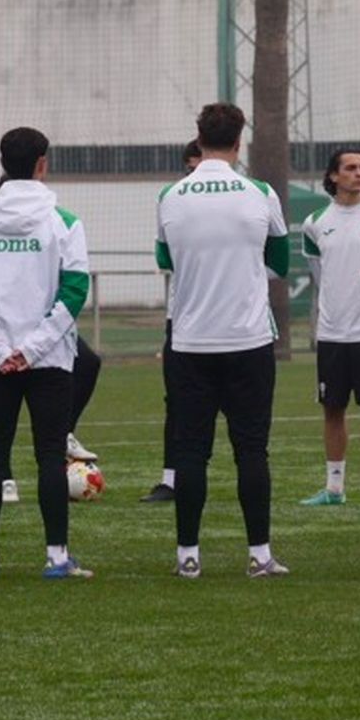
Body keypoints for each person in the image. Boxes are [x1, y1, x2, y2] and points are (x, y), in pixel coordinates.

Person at [155, 103, 289, 578]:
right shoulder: (260, 193)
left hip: (190, 342)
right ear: (239, 141)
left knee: (191, 452)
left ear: (199, 137)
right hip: (248, 339)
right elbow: (280, 260)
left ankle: (187, 556)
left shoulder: (171, 196)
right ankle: (259, 555)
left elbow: (165, 259)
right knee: (251, 450)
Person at [0, 125, 93, 579]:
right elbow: (74, 291)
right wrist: (32, 349)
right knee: (50, 455)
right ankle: (55, 556)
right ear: (41, 164)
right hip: (49, 359)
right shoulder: (64, 223)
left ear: (2, 164)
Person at [298, 147, 360, 509]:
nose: (359, 174)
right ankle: (334, 488)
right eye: (351, 168)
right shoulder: (314, 223)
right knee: (332, 410)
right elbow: (319, 275)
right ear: (333, 176)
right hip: (331, 334)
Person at [141, 138, 202, 504]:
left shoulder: (249, 197)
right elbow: (164, 258)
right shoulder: (172, 199)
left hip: (233, 324)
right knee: (177, 402)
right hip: (181, 317)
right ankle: (172, 480)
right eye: (190, 170)